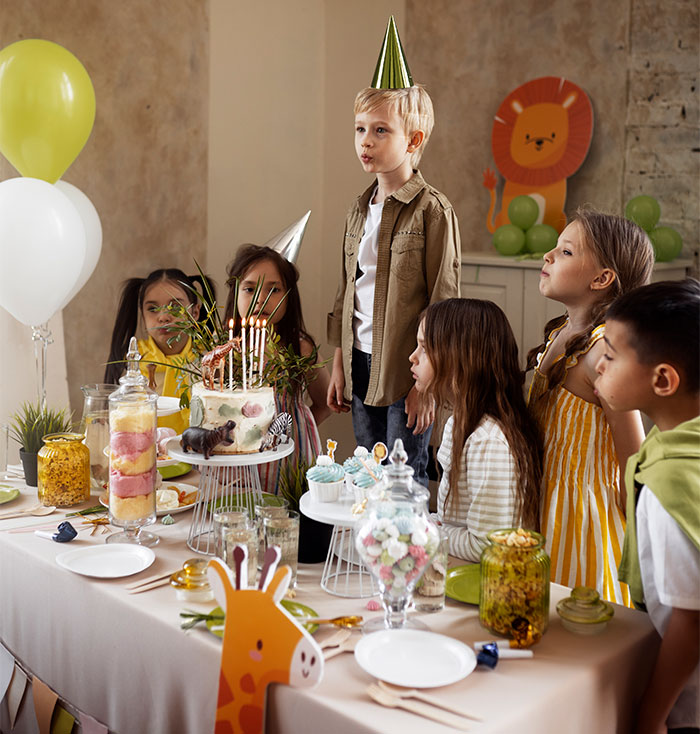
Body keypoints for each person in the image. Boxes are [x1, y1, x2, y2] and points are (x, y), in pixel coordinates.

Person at [326, 22, 461, 487]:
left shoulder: (432, 212)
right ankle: (370, 557)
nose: (366, 140)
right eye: (361, 129)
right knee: (367, 471)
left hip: (407, 369)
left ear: (414, 140)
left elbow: (442, 305)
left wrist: (428, 383)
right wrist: (341, 363)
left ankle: (407, 558)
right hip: (361, 362)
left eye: (380, 130)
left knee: (405, 477)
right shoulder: (358, 209)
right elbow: (349, 291)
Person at [526, 208, 655, 605]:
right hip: (544, 501)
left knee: (571, 616)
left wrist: (638, 536)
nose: (548, 255)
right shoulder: (561, 333)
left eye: (565, 252)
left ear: (601, 279)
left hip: (580, 517)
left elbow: (633, 454)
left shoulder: (602, 350)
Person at [595, 279, 699, 734]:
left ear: (663, 379)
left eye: (611, 356)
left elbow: (691, 621)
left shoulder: (669, 483)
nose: (597, 364)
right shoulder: (673, 438)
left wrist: (651, 714)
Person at [409, 298, 543, 561]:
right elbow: (452, 523)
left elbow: (487, 546)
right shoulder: (457, 423)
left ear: (461, 359)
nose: (412, 357)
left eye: (424, 348)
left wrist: (427, 531)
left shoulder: (488, 442)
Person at [224, 245, 330, 493]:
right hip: (239, 467)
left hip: (289, 463)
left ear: (289, 295)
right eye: (250, 289)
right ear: (235, 293)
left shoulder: (300, 348)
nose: (261, 299)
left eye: (274, 290)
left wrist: (299, 430)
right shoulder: (227, 350)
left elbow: (324, 402)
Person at [104, 268, 216, 434]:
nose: (163, 317)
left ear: (195, 312)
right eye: (153, 309)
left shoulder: (210, 360)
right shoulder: (131, 364)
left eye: (175, 307)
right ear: (142, 314)